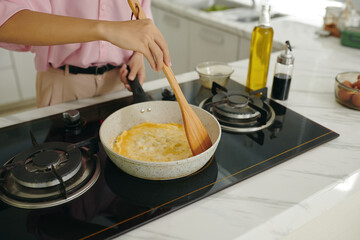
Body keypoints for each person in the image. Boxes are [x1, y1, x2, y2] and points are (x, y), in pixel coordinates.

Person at [0, 0, 170, 107]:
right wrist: (105, 29)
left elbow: (141, 9)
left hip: (120, 82)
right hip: (64, 85)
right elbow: (6, 22)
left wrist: (137, 55)